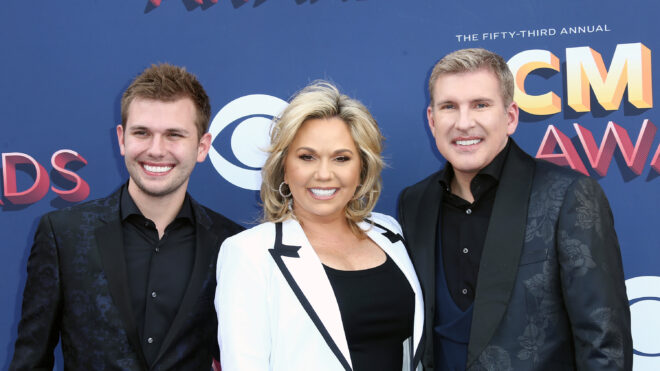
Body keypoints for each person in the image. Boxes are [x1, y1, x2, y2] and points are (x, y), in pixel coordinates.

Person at [398, 48, 632, 370]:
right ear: (432, 119)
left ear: (510, 117)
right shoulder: (415, 202)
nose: (464, 123)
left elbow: (605, 344)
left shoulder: (568, 195)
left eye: (481, 105)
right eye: (449, 106)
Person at [10, 63, 243, 370]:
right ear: (121, 139)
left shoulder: (233, 244)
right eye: (142, 133)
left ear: (202, 146)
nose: (156, 150)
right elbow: (30, 361)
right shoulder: (63, 234)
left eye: (174, 135)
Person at [215, 81, 423, 371]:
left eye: (341, 158)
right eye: (307, 157)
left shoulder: (391, 234)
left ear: (361, 168)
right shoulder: (249, 253)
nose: (324, 174)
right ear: (283, 166)